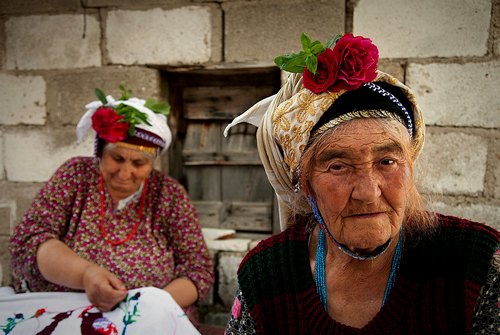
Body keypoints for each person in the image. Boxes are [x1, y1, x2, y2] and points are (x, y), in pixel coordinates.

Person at [223, 33, 499, 334]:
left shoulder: (478, 266)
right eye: (338, 166)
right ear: (305, 184)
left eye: (387, 162)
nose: (368, 192)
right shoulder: (267, 276)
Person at [7, 87, 214, 333]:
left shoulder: (169, 195)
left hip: (146, 317)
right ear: (100, 152)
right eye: (116, 158)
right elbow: (30, 241)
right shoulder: (75, 176)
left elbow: (198, 269)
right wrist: (86, 274)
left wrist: (147, 306)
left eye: (139, 163)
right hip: (67, 309)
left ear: (152, 163)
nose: (125, 173)